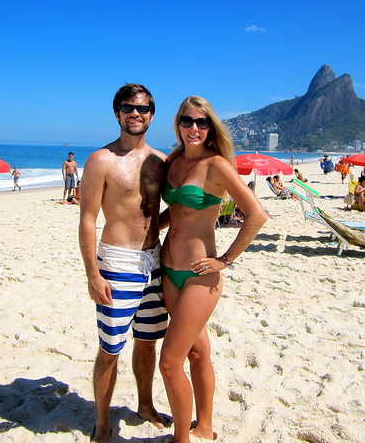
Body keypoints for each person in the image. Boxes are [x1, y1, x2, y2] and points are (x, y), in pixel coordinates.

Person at [159, 96, 268, 442]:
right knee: (197, 350)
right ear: (177, 123)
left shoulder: (217, 166)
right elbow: (174, 214)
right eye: (187, 121)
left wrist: (225, 260)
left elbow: (257, 215)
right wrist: (143, 229)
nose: (194, 128)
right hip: (167, 270)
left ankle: (182, 438)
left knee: (169, 363)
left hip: (200, 277)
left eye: (201, 122)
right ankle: (204, 425)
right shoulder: (173, 160)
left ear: (210, 127)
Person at [78, 83, 169, 443]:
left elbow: (153, 216)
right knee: (110, 348)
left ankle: (145, 405)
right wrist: (92, 273)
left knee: (148, 341)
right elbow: (87, 219)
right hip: (117, 263)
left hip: (154, 261)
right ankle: (102, 423)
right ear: (117, 113)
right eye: (129, 107)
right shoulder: (101, 160)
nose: (136, 113)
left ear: (151, 115)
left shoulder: (161, 161)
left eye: (143, 109)